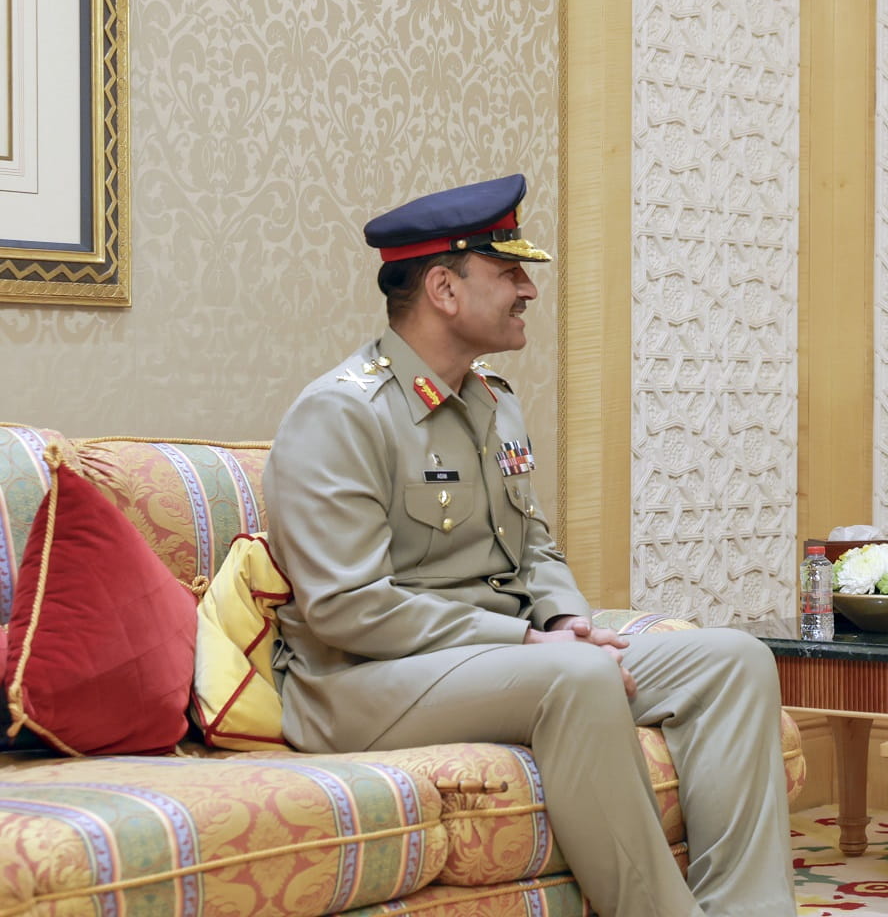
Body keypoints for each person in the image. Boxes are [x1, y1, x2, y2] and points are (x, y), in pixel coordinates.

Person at [264, 174, 795, 917]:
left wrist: (561, 619)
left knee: (732, 660)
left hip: (500, 657)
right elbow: (348, 609)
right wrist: (526, 640)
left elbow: (533, 546)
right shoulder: (342, 414)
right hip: (359, 682)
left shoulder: (493, 401)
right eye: (509, 272)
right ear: (444, 288)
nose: (528, 290)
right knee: (575, 679)